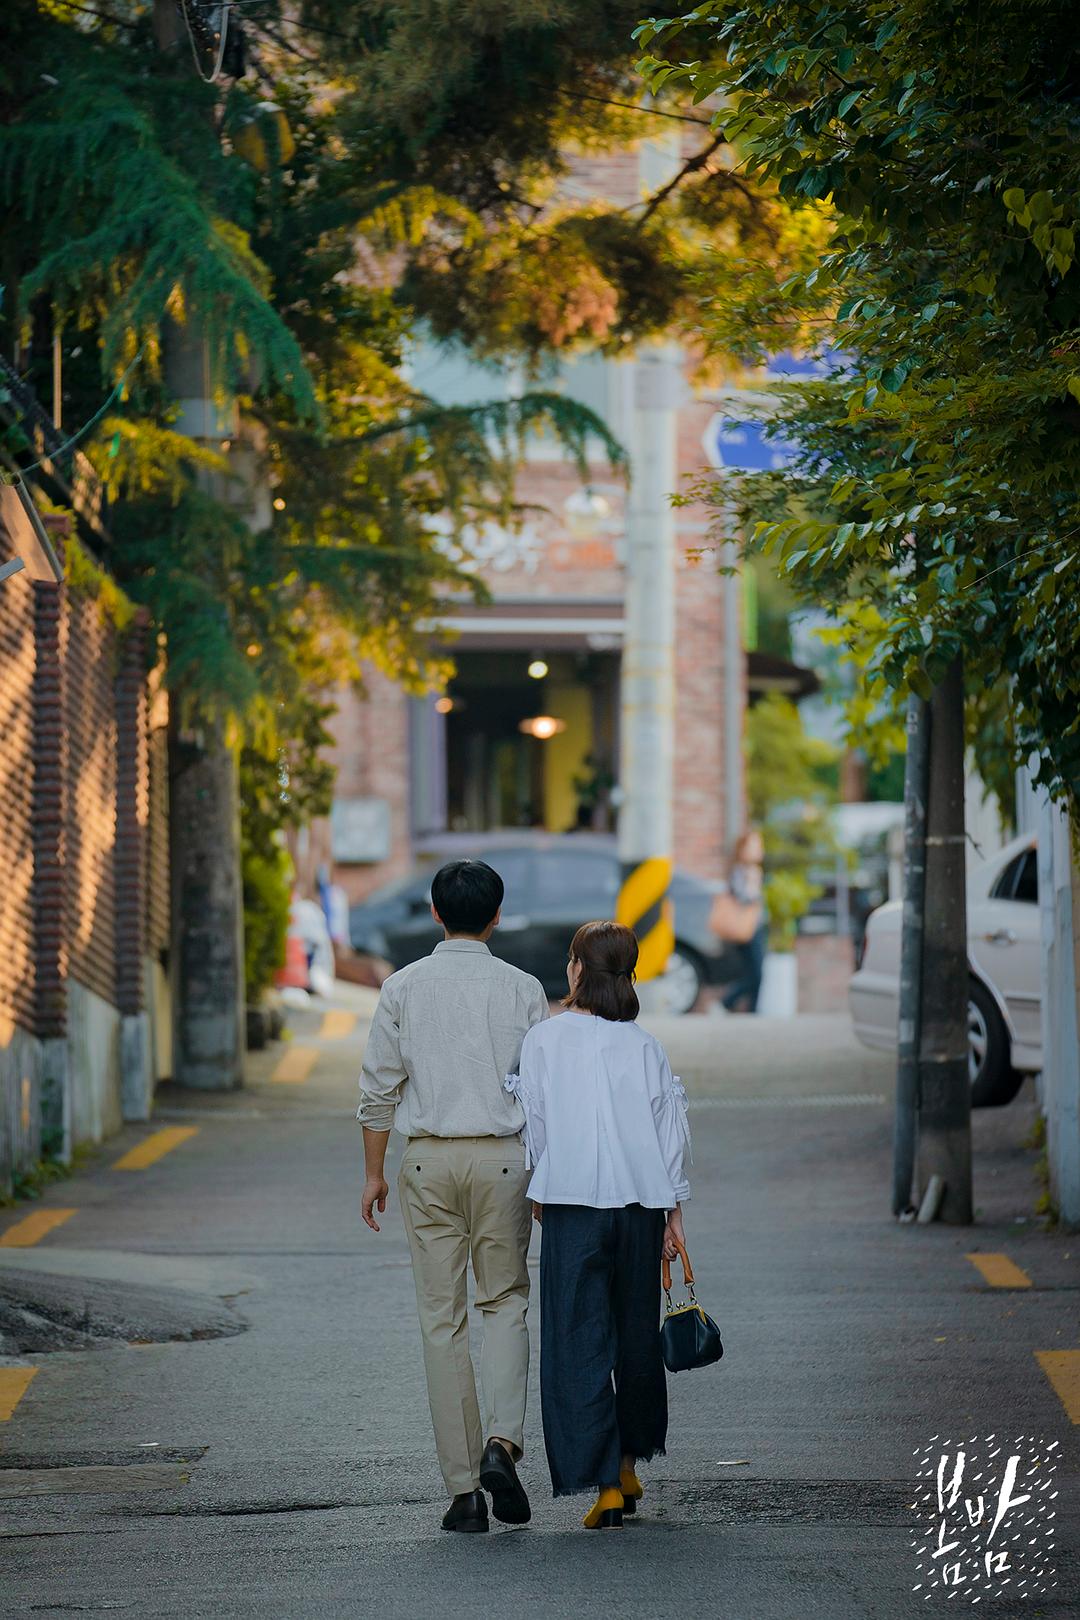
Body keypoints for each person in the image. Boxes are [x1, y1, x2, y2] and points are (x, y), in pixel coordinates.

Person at [358, 859, 549, 1535]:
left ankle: (465, 1492)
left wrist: (375, 1173)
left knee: (443, 1321)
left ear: (436, 914)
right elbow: (543, 1089)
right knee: (504, 1301)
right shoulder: (524, 988)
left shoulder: (403, 987)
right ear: (496, 916)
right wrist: (545, 1176)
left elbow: (378, 1089)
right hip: (504, 1161)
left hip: (427, 1163)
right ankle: (503, 1441)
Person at [505, 920, 691, 1530]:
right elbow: (669, 1134)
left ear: (578, 970)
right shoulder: (643, 1045)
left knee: (577, 1340)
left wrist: (539, 1181)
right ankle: (630, 1460)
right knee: (634, 1335)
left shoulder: (545, 1040)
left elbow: (532, 1121)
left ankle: (605, 1483)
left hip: (572, 1205)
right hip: (640, 1207)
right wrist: (673, 1214)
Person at [721, 827, 768, 1013]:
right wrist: (753, 883)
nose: (758, 850)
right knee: (755, 973)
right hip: (746, 929)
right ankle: (727, 1002)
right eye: (754, 846)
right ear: (743, 849)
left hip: (756, 927)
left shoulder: (754, 870)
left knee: (756, 973)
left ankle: (752, 1011)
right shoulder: (741, 872)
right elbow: (744, 897)